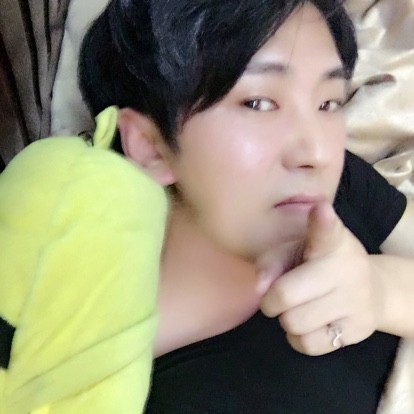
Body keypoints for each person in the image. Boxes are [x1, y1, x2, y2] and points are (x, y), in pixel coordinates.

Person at [78, 0, 414, 412]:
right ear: (149, 145)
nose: (318, 153)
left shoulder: (322, 193)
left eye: (328, 103)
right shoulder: (141, 389)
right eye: (258, 103)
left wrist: (382, 293)